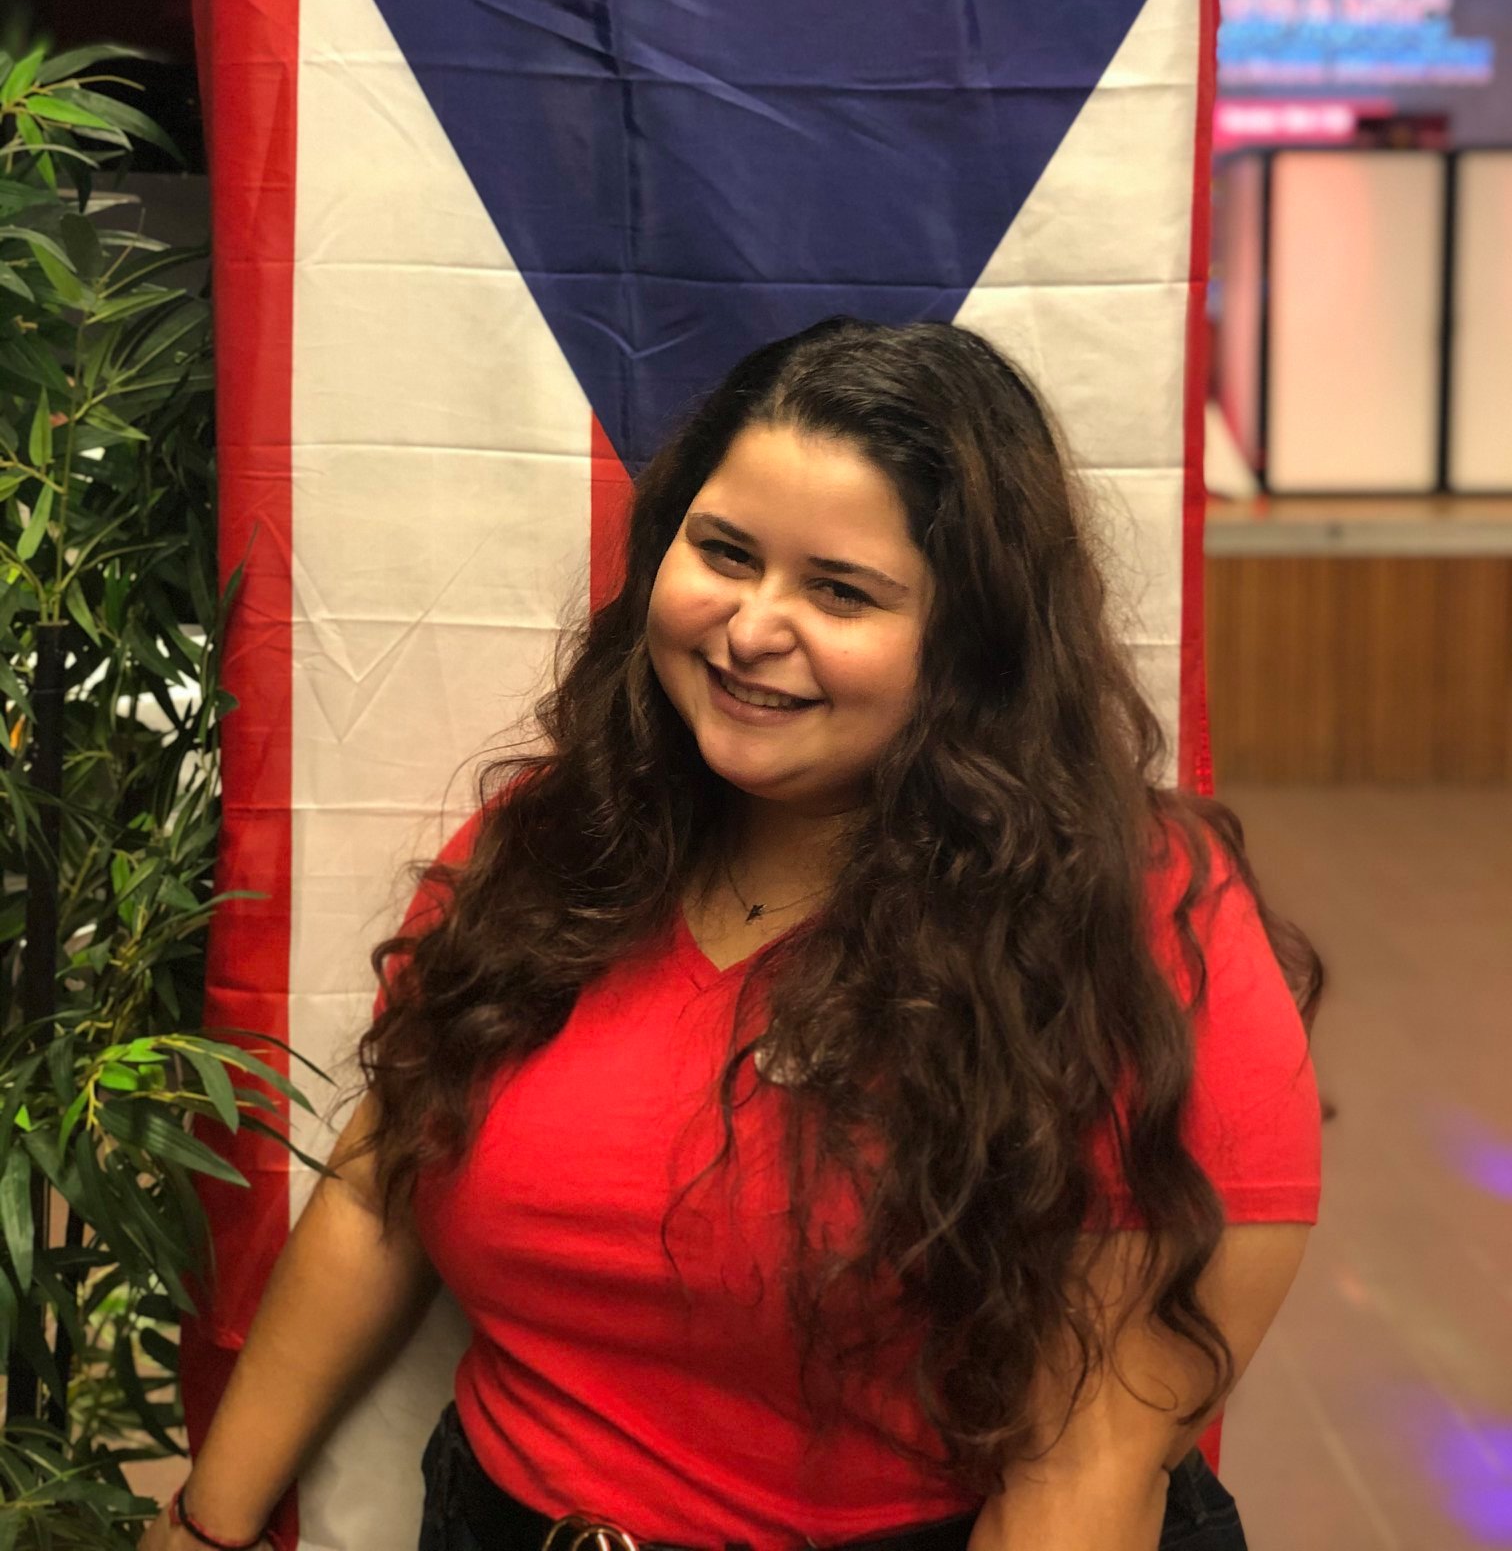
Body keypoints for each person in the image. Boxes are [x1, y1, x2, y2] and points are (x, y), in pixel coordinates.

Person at [147, 318, 1322, 1551]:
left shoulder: (1134, 932)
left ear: (974, 648)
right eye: (724, 553)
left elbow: (1085, 1476)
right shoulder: (553, 843)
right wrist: (207, 1524)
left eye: (842, 591)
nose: (753, 629)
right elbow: (380, 1191)